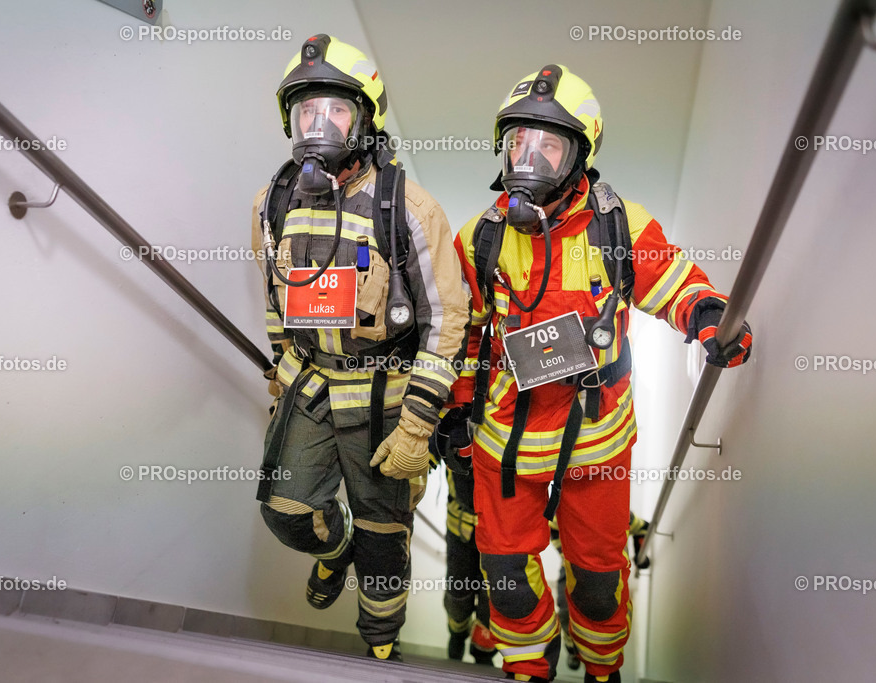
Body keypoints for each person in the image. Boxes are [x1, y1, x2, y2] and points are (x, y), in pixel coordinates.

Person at [441, 64, 753, 682]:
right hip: (502, 441)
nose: (528, 158)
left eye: (547, 146)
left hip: (595, 443)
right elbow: (465, 334)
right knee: (503, 577)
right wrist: (455, 405)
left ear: (578, 156)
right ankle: (530, 665)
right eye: (517, 142)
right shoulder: (480, 237)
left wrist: (711, 317)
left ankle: (603, 670)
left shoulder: (618, 226)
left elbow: (675, 281)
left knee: (598, 583)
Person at [250, 34, 470, 661]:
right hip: (313, 384)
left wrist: (419, 424)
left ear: (365, 119)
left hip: (385, 393)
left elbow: (446, 319)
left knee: (384, 538)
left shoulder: (410, 207)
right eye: (305, 112)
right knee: (286, 512)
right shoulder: (274, 202)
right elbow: (277, 299)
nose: (318, 125)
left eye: (335, 111)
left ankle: (379, 644)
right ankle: (332, 545)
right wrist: (281, 388)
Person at [550, 512, 652, 672]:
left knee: (607, 616)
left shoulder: (620, 512)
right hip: (571, 568)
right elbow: (552, 526)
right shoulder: (567, 508)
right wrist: (564, 552)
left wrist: (640, 554)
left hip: (608, 571)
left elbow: (644, 527)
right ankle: (573, 650)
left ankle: (602, 662)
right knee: (565, 613)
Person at [443, 467, 496, 665]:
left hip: (497, 531)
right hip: (459, 526)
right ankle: (457, 633)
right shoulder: (448, 433)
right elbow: (425, 450)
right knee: (458, 593)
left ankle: (483, 653)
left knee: (492, 599)